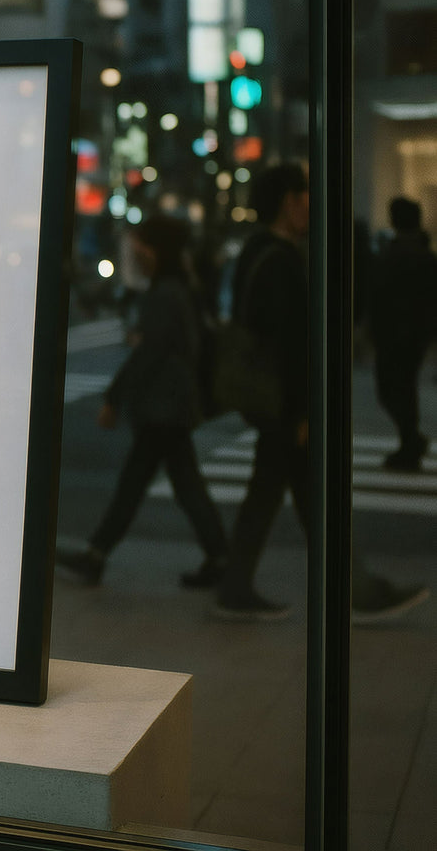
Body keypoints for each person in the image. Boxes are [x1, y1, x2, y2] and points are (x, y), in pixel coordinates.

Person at [214, 165, 427, 622]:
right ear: (289, 201)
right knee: (313, 499)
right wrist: (303, 412)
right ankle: (356, 594)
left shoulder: (255, 251)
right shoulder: (283, 260)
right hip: (284, 405)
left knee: (285, 494)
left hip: (266, 400)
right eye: (306, 194)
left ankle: (241, 587)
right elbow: (292, 344)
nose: (312, 203)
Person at [57, 217, 228, 588]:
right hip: (169, 405)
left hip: (164, 406)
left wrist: (115, 397)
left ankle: (98, 555)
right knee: (164, 483)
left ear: (157, 249)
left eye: (143, 246)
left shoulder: (167, 292)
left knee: (157, 484)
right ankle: (99, 555)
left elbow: (150, 353)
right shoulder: (175, 288)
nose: (137, 252)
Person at [367, 196, 437, 471]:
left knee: (392, 389)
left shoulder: (396, 254)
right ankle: (410, 441)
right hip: (412, 336)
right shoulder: (424, 255)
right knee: (403, 390)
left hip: (395, 335)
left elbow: (380, 295)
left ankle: (410, 442)